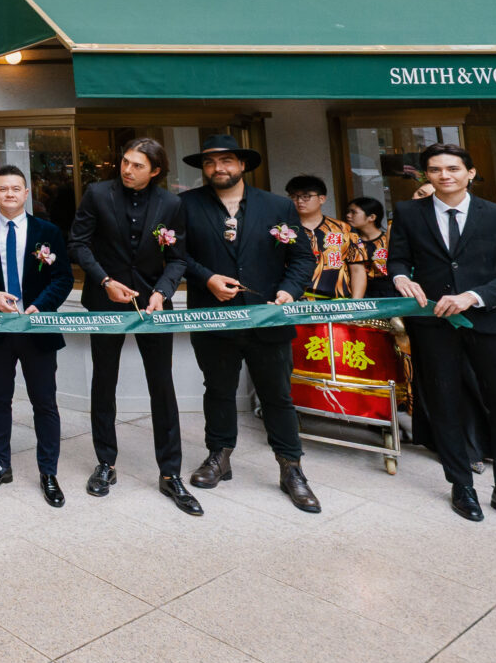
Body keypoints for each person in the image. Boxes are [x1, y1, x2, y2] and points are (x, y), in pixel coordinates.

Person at [388, 142, 496, 531]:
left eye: (453, 169)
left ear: (470, 173)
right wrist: (401, 277)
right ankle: (461, 485)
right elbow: (398, 258)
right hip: (433, 325)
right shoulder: (408, 212)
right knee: (444, 402)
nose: (445, 175)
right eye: (436, 170)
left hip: (488, 322)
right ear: (427, 176)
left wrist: (472, 296)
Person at [176, 138, 320, 512]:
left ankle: (292, 468)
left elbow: (302, 258)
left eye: (226, 160)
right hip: (213, 318)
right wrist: (207, 278)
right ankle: (218, 457)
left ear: (242, 164)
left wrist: (289, 292)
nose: (218, 168)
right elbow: (177, 254)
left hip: (268, 317)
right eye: (210, 163)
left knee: (277, 395)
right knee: (219, 390)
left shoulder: (277, 206)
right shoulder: (186, 205)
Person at [69, 137, 199, 514]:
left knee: (162, 384)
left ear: (155, 171)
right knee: (103, 381)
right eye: (125, 162)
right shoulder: (96, 194)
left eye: (137, 165)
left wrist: (162, 291)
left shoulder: (172, 204)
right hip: (104, 299)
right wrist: (104, 281)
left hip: (154, 306)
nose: (127, 169)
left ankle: (169, 472)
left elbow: (178, 258)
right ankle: (105, 463)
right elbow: (78, 244)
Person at [0, 164, 72, 507]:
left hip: (37, 328)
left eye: (15, 188)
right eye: (2, 188)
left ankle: (48, 472)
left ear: (26, 193)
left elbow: (63, 278)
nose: (9, 193)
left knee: (45, 402)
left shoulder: (47, 230)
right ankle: (0, 464)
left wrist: (40, 305)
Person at [286, 175, 352, 299]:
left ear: (322, 199)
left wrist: (357, 303)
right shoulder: (284, 231)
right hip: (297, 302)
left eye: (306, 196)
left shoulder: (343, 229)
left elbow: (357, 268)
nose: (299, 201)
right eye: (294, 197)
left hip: (340, 301)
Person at [342, 196, 388, 298]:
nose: (348, 215)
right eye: (348, 212)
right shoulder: (349, 241)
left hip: (389, 294)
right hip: (358, 293)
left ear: (371, 217)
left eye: (354, 212)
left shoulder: (388, 240)